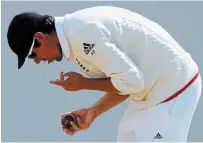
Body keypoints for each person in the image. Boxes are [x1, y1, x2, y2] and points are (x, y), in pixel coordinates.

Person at [7, 6, 202, 142]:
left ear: (40, 37)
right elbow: (127, 82)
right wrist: (94, 111)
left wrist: (83, 83)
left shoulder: (82, 34)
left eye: (33, 55)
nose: (39, 61)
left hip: (174, 87)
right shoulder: (73, 35)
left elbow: (133, 83)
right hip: (150, 93)